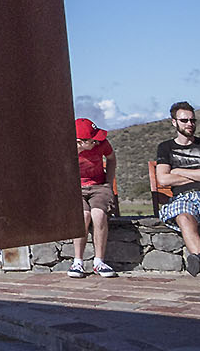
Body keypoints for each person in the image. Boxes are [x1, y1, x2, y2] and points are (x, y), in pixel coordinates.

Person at [155, 101, 200, 280]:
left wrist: (179, 171)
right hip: (182, 196)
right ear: (174, 122)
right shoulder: (165, 148)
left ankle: (199, 258)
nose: (190, 124)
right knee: (184, 218)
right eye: (184, 120)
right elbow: (163, 179)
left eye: (192, 120)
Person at [67, 117, 118, 278]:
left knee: (98, 214)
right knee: (83, 216)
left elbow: (111, 159)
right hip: (76, 188)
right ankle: (78, 262)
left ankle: (99, 261)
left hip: (99, 186)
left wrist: (108, 183)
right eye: (91, 140)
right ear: (80, 141)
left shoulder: (102, 143)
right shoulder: (67, 148)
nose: (96, 142)